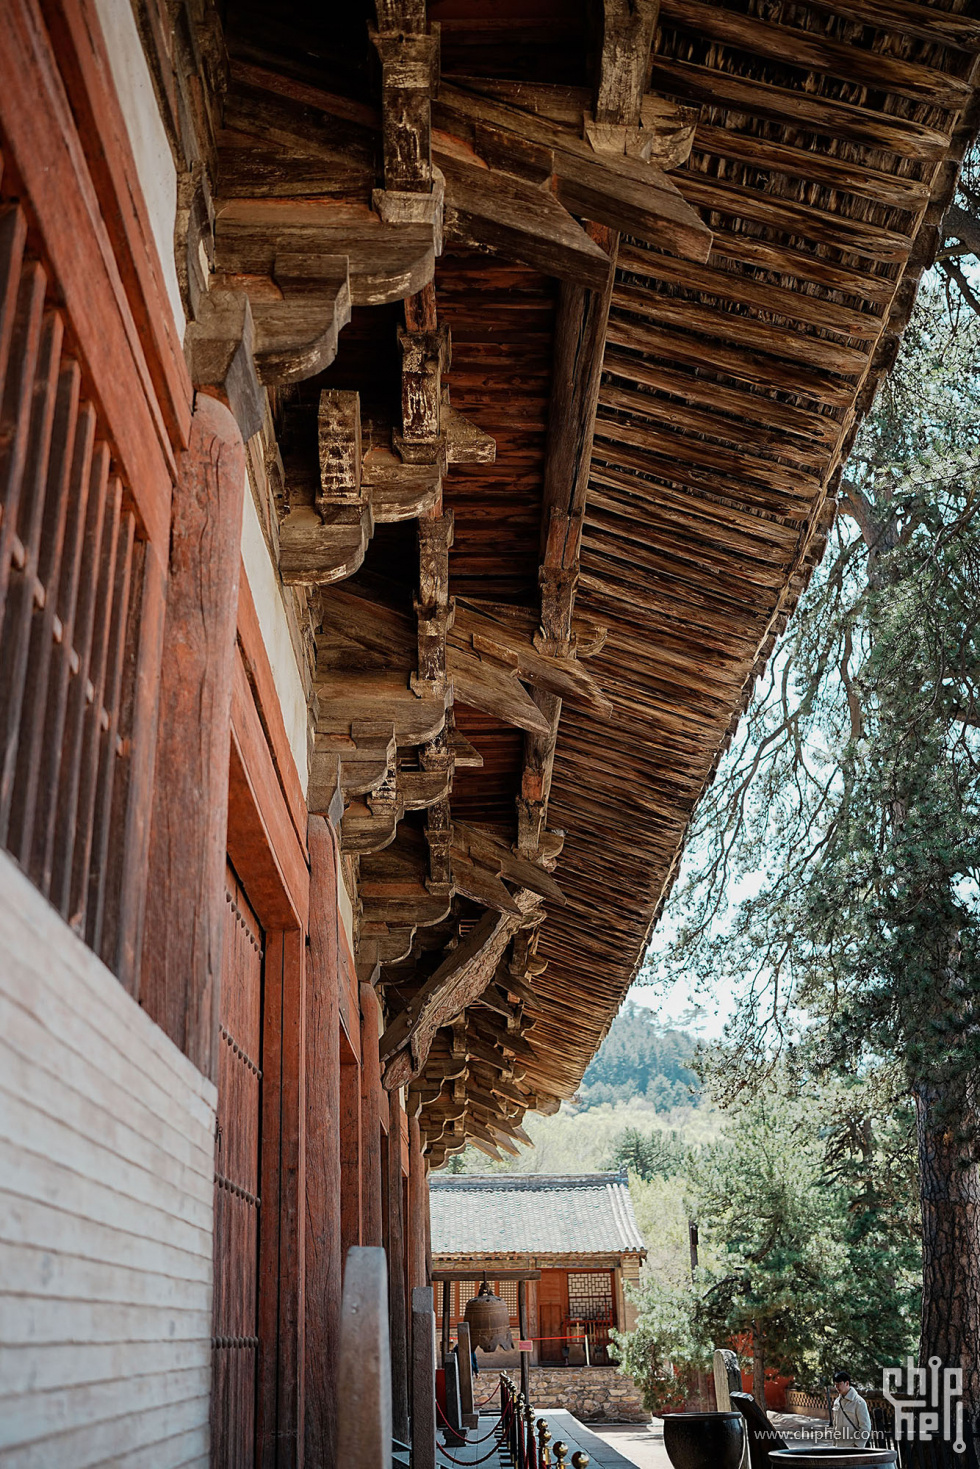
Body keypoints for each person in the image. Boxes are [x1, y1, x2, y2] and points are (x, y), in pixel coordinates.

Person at [832, 1370, 872, 1449]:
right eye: (835, 1385)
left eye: (839, 1384)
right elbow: (835, 1425)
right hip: (839, 1447)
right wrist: (834, 1444)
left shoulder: (859, 1402)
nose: (837, 1387)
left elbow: (865, 1427)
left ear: (847, 1383)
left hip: (853, 1448)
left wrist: (857, 1446)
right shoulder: (837, 1402)